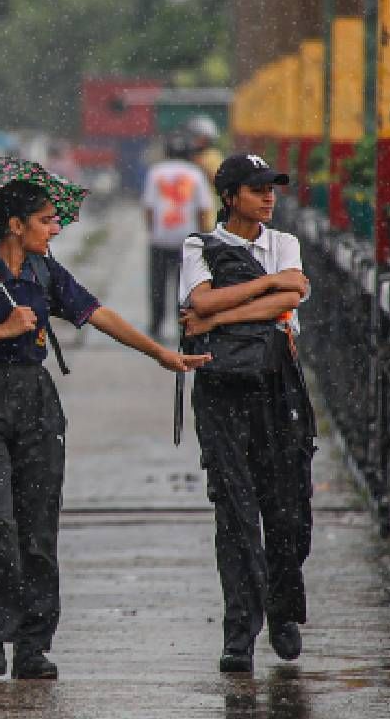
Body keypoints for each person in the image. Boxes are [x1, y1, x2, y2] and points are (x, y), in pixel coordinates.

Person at [0, 180, 209, 679]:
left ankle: (33, 646)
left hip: (37, 405)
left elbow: (97, 312)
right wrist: (1, 331)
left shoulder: (44, 271)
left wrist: (158, 353)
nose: (55, 227)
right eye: (45, 220)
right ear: (15, 225)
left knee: (38, 531)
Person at [179, 153, 316, 674]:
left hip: (279, 389)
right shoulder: (200, 247)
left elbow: (293, 292)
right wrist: (267, 289)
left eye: (272, 188)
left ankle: (283, 610)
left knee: (289, 512)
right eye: (257, 189)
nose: (268, 197)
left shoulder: (283, 244)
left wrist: (227, 305)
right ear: (230, 195)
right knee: (236, 515)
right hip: (222, 392)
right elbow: (199, 300)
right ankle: (240, 630)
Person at [141, 133, 213, 341]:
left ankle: (156, 325)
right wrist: (202, 236)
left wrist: (152, 230)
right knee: (185, 286)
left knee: (158, 284)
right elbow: (203, 208)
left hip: (161, 238)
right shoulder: (195, 174)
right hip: (187, 238)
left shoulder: (155, 172)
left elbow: (149, 207)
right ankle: (183, 326)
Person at [186, 114, 225, 184]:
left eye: (196, 136)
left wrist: (200, 166)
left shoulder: (212, 155)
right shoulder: (190, 154)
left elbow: (219, 179)